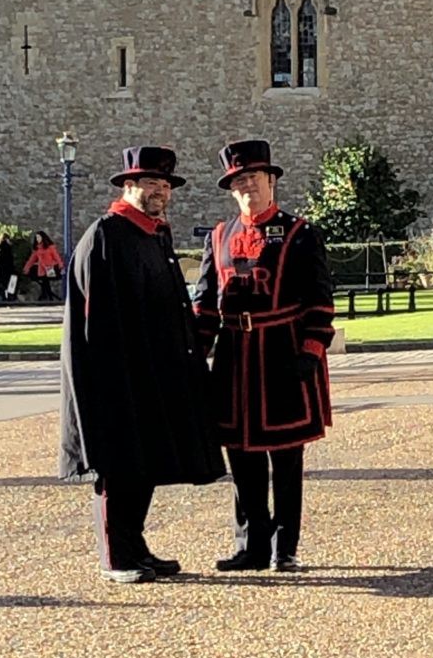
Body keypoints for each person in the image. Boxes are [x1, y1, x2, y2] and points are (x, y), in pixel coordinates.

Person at [60, 146, 225, 583]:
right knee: (118, 466)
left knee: (145, 462)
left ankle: (136, 545)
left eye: (165, 185)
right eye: (151, 183)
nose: (160, 191)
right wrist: (107, 381)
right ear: (128, 186)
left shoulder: (154, 235)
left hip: (154, 374)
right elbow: (94, 320)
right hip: (117, 376)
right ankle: (116, 556)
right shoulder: (106, 235)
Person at [193, 139, 335, 572]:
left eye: (254, 178)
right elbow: (204, 305)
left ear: (271, 181)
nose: (247, 186)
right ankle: (250, 545)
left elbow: (320, 300)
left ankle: (284, 546)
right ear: (231, 189)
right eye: (239, 181)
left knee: (287, 458)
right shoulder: (219, 236)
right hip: (235, 360)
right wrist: (195, 356)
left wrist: (310, 351)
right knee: (242, 457)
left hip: (282, 354)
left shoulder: (300, 233)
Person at [23, 231, 65, 301]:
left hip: (50, 268)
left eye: (39, 237)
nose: (37, 239)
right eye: (36, 238)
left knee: (45, 281)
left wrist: (61, 266)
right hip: (42, 269)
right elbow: (31, 260)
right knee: (44, 281)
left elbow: (57, 257)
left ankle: (46, 297)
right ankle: (48, 297)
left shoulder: (50, 247)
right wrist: (26, 268)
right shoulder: (37, 249)